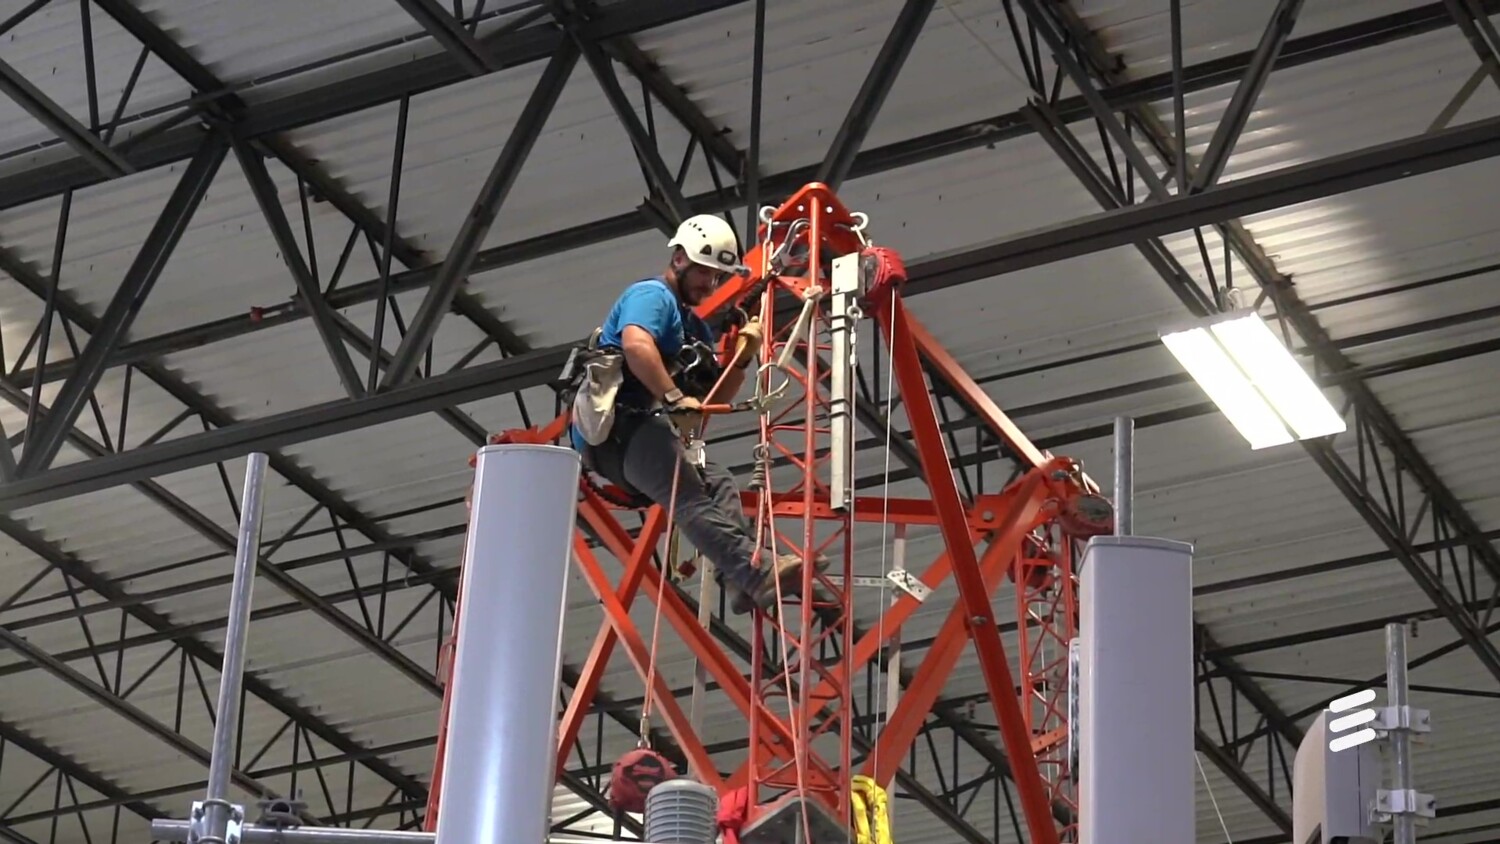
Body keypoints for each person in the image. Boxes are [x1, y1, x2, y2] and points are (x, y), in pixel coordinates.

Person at [568, 214, 807, 615]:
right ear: (679, 258)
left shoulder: (695, 329)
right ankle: (755, 570)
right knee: (690, 495)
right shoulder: (651, 297)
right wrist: (674, 396)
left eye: (717, 278)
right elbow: (636, 345)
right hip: (616, 431)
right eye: (705, 273)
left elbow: (712, 396)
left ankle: (738, 579)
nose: (710, 285)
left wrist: (743, 359)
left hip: (643, 433)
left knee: (720, 483)